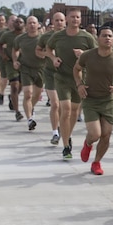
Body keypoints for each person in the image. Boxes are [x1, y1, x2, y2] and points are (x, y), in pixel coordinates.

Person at [73, 26, 113, 175]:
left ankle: (96, 162)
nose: (108, 38)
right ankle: (88, 143)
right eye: (104, 36)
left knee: (106, 134)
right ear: (98, 39)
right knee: (95, 134)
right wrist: (79, 85)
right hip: (90, 99)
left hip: (107, 101)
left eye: (110, 36)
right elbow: (76, 69)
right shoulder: (87, 55)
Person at [44, 8, 97, 159]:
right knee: (65, 109)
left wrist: (84, 54)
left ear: (81, 20)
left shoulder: (87, 37)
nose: (75, 19)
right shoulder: (58, 36)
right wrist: (53, 58)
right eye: (72, 17)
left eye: (77, 17)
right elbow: (47, 48)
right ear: (67, 19)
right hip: (61, 78)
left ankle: (68, 135)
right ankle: (66, 146)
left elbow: (97, 54)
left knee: (74, 111)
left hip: (79, 79)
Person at [37, 11, 66, 144]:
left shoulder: (70, 36)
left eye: (61, 20)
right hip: (50, 73)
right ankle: (55, 132)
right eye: (56, 20)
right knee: (55, 103)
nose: (59, 23)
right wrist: (49, 55)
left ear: (65, 22)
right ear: (52, 22)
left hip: (66, 75)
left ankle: (62, 128)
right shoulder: (45, 37)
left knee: (64, 106)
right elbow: (37, 51)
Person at [12, 15, 45, 129]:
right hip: (25, 68)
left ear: (38, 25)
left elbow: (50, 51)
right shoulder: (20, 39)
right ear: (26, 25)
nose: (32, 25)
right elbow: (15, 50)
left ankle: (31, 108)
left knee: (36, 95)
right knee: (28, 94)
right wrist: (15, 60)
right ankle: (30, 119)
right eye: (29, 23)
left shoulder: (43, 38)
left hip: (40, 69)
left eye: (34, 23)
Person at [0, 15, 25, 119]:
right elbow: (0, 44)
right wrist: (3, 54)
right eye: (16, 22)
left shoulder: (26, 35)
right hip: (10, 62)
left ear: (24, 24)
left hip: (24, 64)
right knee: (14, 85)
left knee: (21, 86)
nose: (18, 24)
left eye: (21, 22)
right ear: (13, 24)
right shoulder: (7, 35)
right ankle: (17, 112)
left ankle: (12, 98)